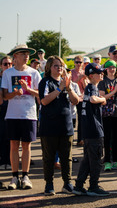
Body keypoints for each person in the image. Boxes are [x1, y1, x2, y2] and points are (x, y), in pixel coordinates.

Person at [1, 44, 42, 190]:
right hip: (12, 115)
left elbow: (40, 94)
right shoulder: (8, 73)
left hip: (29, 114)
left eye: (27, 54)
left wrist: (28, 89)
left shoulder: (34, 73)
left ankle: (25, 176)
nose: (26, 56)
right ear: (15, 56)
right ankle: (14, 177)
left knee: (26, 146)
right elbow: (5, 96)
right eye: (23, 53)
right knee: (13, 145)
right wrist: (15, 94)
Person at [39, 56, 80, 195]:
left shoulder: (67, 83)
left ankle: (67, 183)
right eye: (56, 66)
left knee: (66, 156)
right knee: (49, 157)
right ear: (49, 67)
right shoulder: (45, 82)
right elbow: (44, 101)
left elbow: (75, 101)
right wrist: (59, 88)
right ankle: (49, 184)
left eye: (61, 66)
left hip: (66, 125)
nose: (60, 68)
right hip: (49, 126)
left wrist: (68, 88)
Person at [72, 63, 110, 196]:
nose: (101, 74)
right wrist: (103, 99)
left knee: (88, 159)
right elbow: (94, 100)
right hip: (94, 129)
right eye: (98, 72)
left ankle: (79, 185)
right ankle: (93, 186)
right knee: (96, 160)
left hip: (89, 130)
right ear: (91, 75)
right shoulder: (92, 87)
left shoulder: (89, 88)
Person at [98, 60, 117, 171]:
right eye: (109, 67)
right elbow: (102, 97)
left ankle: (115, 161)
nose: (112, 69)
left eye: (114, 67)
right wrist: (114, 90)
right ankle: (107, 161)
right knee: (107, 137)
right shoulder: (102, 81)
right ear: (105, 69)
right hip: (106, 112)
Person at [0, 56, 13, 170]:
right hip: (1, 109)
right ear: (1, 66)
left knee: (9, 136)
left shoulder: (13, 77)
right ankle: (2, 160)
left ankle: (8, 160)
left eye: (9, 64)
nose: (8, 66)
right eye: (5, 64)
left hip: (11, 108)